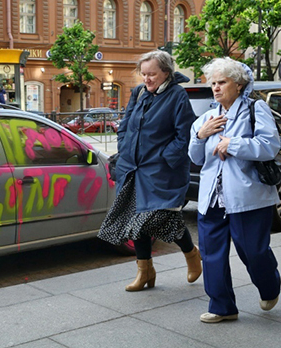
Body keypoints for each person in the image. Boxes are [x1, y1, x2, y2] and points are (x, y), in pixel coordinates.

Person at [98, 50, 201, 292]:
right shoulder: (139, 92)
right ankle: (145, 272)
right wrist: (124, 148)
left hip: (160, 171)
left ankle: (191, 254)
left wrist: (165, 158)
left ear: (166, 72)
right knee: (137, 219)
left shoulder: (177, 96)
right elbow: (125, 125)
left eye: (152, 74)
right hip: (133, 169)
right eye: (144, 74)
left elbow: (184, 134)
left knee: (160, 217)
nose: (147, 79)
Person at [188, 57, 280, 323]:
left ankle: (270, 286)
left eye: (222, 82)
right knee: (211, 254)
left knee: (253, 251)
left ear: (238, 85)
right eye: (213, 83)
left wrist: (234, 144)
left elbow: (269, 146)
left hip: (247, 197)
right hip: (212, 198)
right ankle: (222, 306)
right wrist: (200, 136)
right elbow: (195, 158)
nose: (216, 88)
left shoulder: (256, 108)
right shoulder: (206, 117)